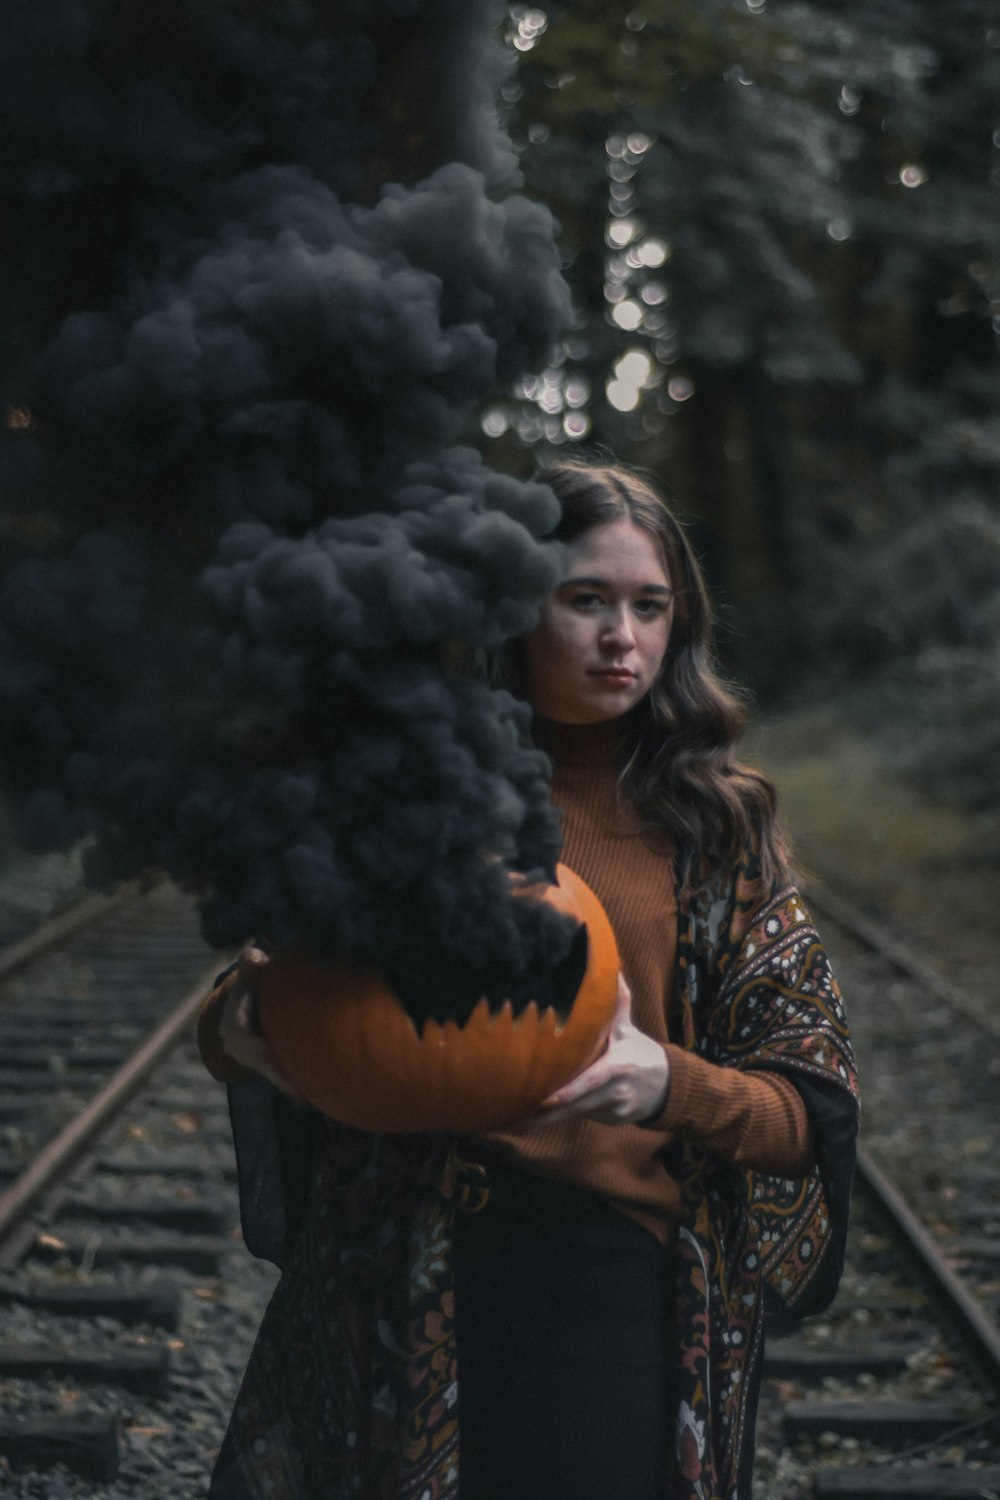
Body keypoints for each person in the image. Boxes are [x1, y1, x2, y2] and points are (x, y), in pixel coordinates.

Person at [197, 458, 859, 1500]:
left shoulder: (717, 827)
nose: (621, 638)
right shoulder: (406, 788)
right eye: (584, 599)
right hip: (403, 1267)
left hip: (611, 1276)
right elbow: (284, 1007)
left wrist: (667, 1084)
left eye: (650, 607)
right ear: (509, 610)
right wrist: (234, 1019)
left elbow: (807, 1109)